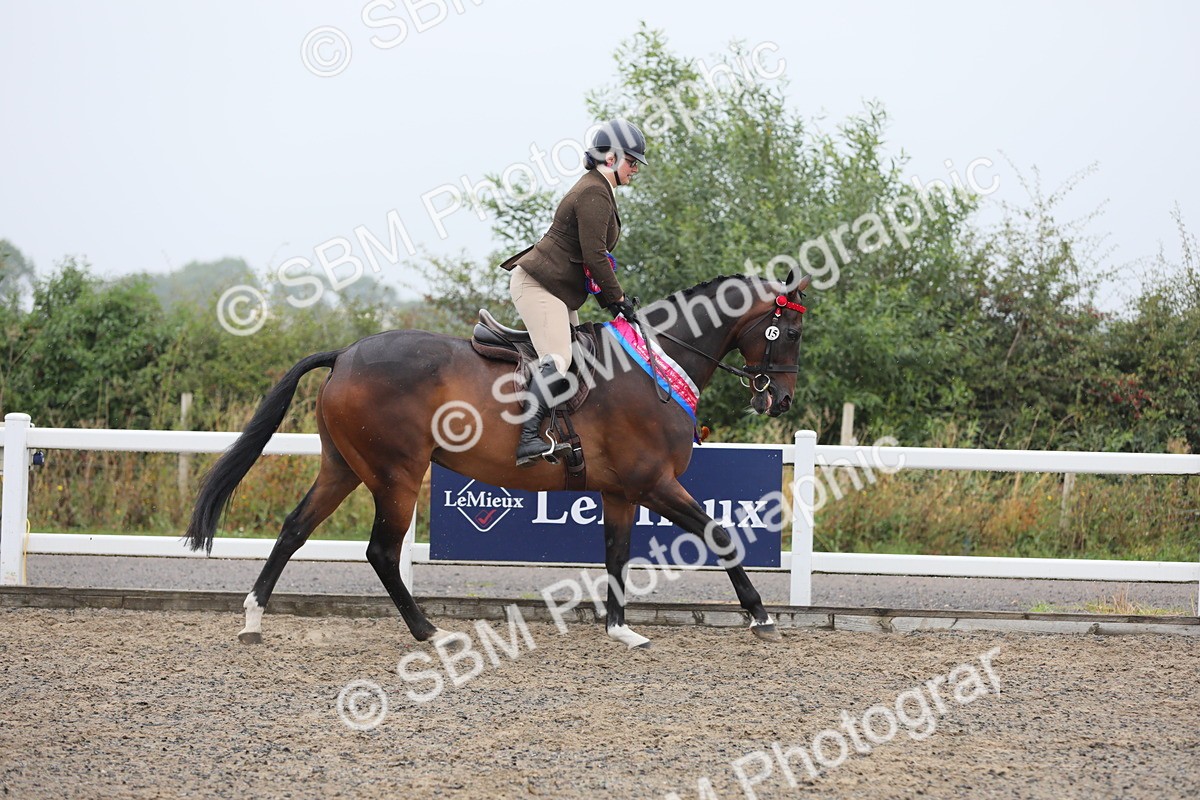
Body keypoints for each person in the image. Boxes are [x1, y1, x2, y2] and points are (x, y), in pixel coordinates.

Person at [499, 119, 647, 465]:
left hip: (557, 290)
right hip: (539, 285)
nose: (636, 169)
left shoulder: (598, 188)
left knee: (580, 355)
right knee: (559, 360)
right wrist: (619, 299)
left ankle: (564, 435)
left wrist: (613, 303)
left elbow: (590, 261)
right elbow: (595, 256)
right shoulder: (594, 191)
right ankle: (527, 440)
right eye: (632, 161)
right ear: (610, 158)